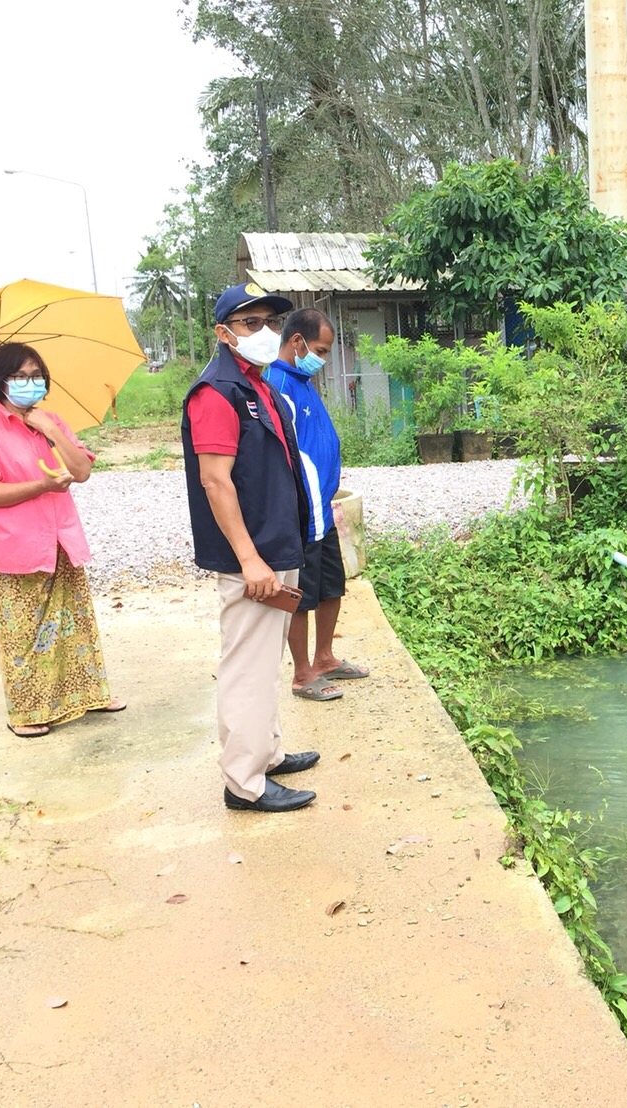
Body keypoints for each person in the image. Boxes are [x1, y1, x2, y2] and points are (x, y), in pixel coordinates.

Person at [181, 283, 321, 814]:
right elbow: (217, 482)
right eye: (248, 323)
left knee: (265, 664)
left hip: (275, 546)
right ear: (223, 333)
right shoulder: (215, 393)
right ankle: (245, 782)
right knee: (246, 666)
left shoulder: (255, 385)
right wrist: (250, 559)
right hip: (252, 557)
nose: (262, 332)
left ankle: (268, 754)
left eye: (269, 322)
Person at [0, 342, 126, 737]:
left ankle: (87, 695)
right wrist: (40, 486)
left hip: (60, 540)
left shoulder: (50, 421)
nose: (29, 383)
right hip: (14, 547)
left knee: (73, 622)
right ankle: (27, 711)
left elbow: (82, 471)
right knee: (25, 633)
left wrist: (50, 429)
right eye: (19, 376)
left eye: (36, 375)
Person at [264, 308, 371, 702]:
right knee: (301, 594)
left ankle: (325, 657)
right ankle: (302, 673)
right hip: (299, 509)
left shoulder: (303, 380)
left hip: (322, 508)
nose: (323, 359)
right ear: (297, 342)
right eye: (320, 350)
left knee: (331, 585)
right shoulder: (276, 383)